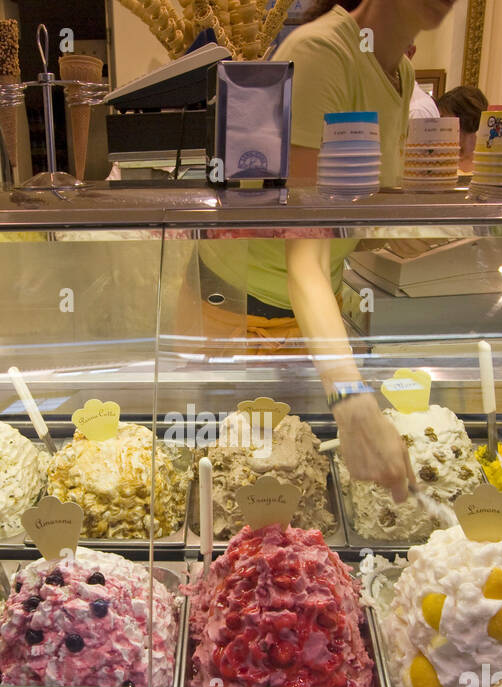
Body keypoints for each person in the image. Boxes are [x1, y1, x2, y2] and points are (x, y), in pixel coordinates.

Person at [196, 0, 460, 502]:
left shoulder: (398, 71)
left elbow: (352, 210)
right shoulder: (322, 53)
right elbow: (304, 250)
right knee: (249, 474)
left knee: (296, 476)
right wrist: (350, 396)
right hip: (249, 303)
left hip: (316, 307)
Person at [435, 84, 488, 173]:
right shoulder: (438, 159)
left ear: (464, 118)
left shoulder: (490, 160)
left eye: (444, 117)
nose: (440, 123)